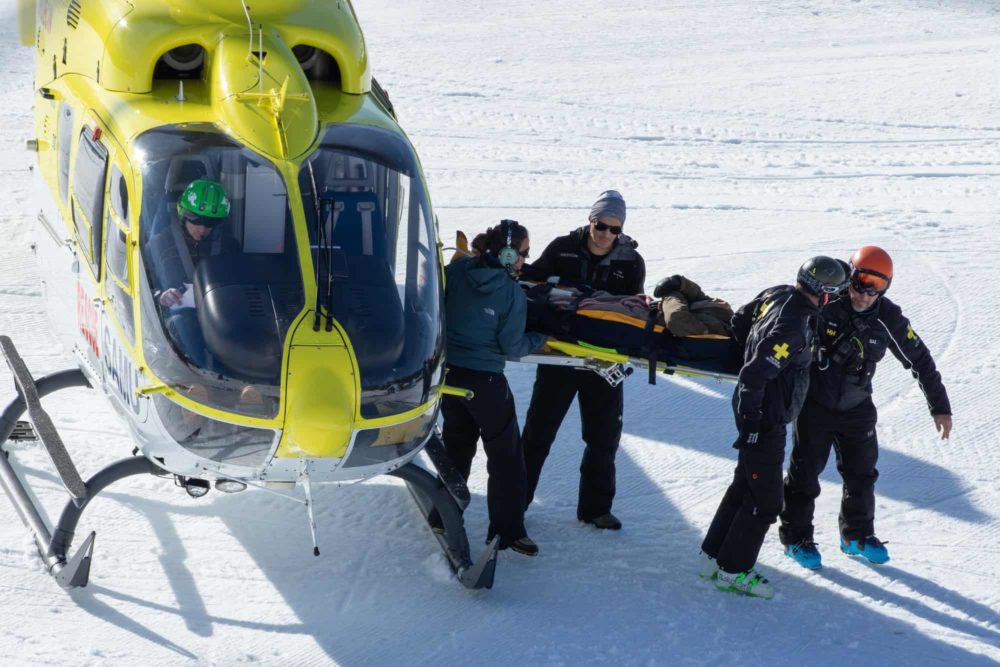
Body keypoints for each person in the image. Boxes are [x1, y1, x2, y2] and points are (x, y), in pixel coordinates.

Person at [779, 246, 952, 569]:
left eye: (877, 286)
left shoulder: (888, 318)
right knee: (804, 475)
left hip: (857, 407)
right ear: (849, 277)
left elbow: (921, 360)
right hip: (814, 406)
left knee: (862, 476)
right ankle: (795, 538)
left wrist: (939, 406)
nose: (866, 293)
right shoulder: (825, 304)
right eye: (861, 282)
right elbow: (784, 331)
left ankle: (856, 535)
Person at [699, 256, 848, 598]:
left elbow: (740, 319)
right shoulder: (793, 328)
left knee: (744, 485)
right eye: (835, 293)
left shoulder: (778, 293)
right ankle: (733, 571)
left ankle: (712, 555)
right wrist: (753, 423)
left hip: (761, 411)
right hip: (764, 417)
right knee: (766, 501)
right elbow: (755, 374)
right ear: (823, 294)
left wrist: (746, 348)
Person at [519, 190, 645, 530]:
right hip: (561, 356)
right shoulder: (562, 247)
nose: (605, 234)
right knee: (537, 435)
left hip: (604, 362)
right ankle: (516, 502)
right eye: (600, 225)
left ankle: (596, 508)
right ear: (590, 221)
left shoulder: (631, 262)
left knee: (604, 438)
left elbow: (630, 312)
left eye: (614, 229)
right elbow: (532, 283)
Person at [439, 219, 549, 556]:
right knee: (506, 458)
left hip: (449, 378)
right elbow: (513, 346)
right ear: (506, 254)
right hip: (486, 382)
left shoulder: (455, 272)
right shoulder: (510, 292)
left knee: (456, 448)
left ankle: (441, 515)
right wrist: (541, 337)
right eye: (523, 254)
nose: (524, 262)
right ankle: (507, 530)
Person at [148, 178, 238, 367]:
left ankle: (241, 383)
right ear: (184, 214)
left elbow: (240, 281)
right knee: (186, 326)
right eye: (197, 221)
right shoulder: (159, 244)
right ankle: (198, 380)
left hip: (219, 315)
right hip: (177, 316)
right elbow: (144, 284)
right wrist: (161, 296)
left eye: (210, 223)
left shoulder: (229, 247)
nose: (203, 229)